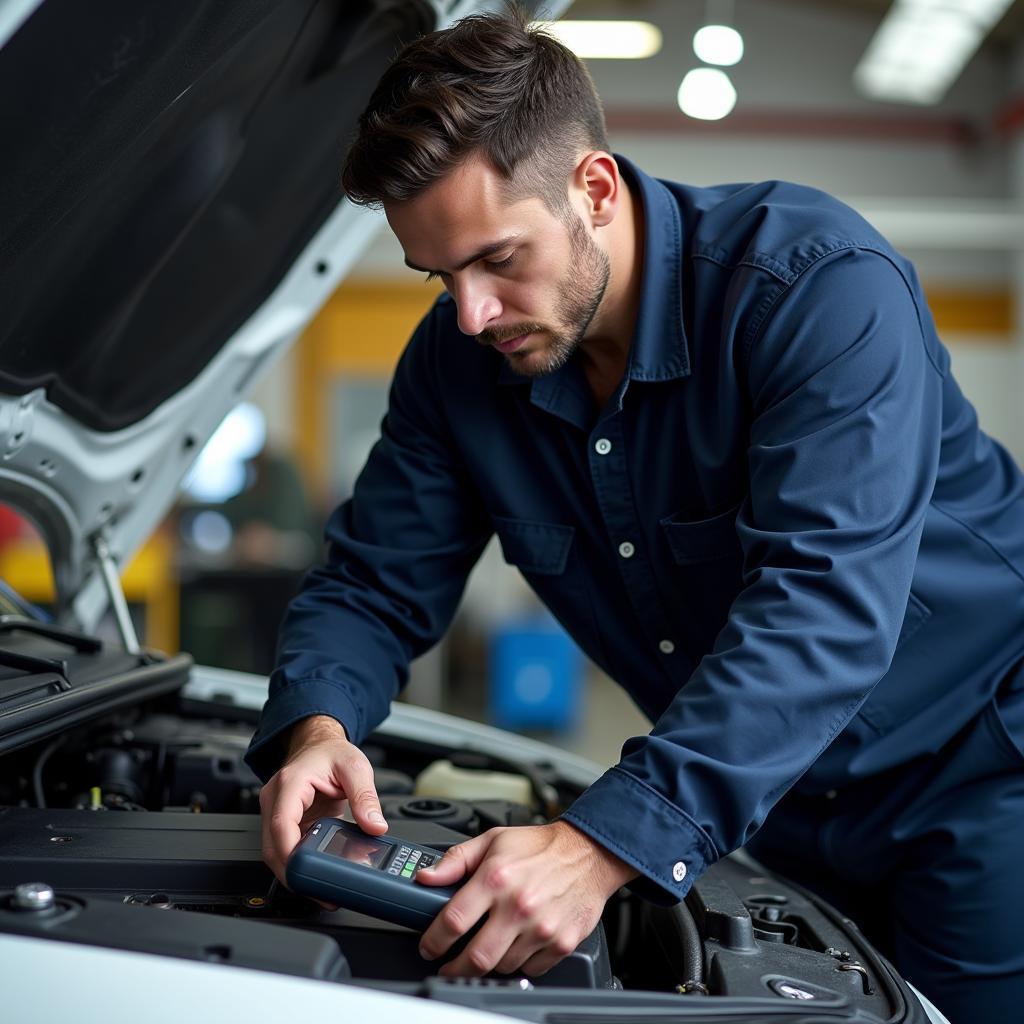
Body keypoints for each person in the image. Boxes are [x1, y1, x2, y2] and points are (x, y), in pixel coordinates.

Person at [243, 9, 1024, 1019]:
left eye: (496, 259)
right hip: (770, 801)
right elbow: (372, 578)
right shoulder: (458, 362)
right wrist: (317, 726)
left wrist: (601, 841)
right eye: (439, 277)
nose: (471, 313)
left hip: (977, 772)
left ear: (594, 187)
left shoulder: (817, 292)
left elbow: (821, 605)